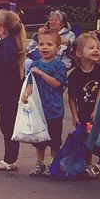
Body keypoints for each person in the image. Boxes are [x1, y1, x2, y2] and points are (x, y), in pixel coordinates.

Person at [22, 27, 67, 176]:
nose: (45, 48)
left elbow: (57, 84)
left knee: (54, 139)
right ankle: (40, 163)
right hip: (39, 109)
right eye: (41, 44)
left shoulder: (59, 65)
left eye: (49, 44)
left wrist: (41, 74)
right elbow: (30, 83)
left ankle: (53, 163)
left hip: (54, 109)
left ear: (58, 47)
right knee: (39, 139)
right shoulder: (35, 64)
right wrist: (26, 94)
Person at [0, 8, 27, 171]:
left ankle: (9, 159)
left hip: (9, 91)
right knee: (7, 124)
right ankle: (10, 158)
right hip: (11, 90)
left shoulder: (6, 47)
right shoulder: (10, 44)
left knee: (7, 125)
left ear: (2, 28)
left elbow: (0, 69)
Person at [66, 32, 100, 179]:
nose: (96, 50)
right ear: (79, 53)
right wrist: (75, 116)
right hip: (83, 112)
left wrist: (97, 110)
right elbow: (72, 98)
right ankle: (87, 165)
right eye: (91, 48)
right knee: (86, 139)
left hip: (99, 110)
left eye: (98, 48)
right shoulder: (74, 75)